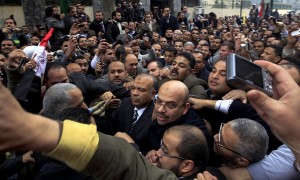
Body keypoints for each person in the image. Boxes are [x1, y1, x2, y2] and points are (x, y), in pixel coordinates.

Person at [0, 60, 299, 179]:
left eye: (170, 105)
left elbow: (129, 166)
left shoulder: (197, 140)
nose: (160, 110)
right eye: (159, 102)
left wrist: (37, 130)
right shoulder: (127, 106)